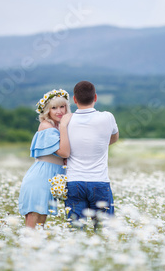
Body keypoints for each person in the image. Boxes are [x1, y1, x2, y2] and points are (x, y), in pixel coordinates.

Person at [63, 80, 119, 230]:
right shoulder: (108, 117)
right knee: (104, 232)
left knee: (75, 231)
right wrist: (98, 145)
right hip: (99, 181)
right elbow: (114, 138)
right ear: (95, 97)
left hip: (73, 182)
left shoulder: (67, 120)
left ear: (74, 100)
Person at [18, 89, 71, 228]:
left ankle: (34, 248)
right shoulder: (47, 126)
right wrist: (65, 126)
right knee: (33, 219)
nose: (59, 111)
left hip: (49, 178)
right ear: (48, 111)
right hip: (40, 178)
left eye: (62, 106)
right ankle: (27, 247)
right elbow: (64, 152)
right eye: (54, 108)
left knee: (41, 223)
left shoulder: (58, 126)